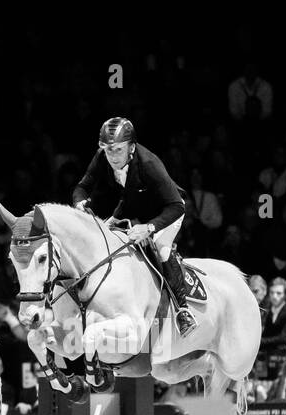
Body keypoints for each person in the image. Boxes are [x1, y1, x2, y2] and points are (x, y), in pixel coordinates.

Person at [73, 117, 196, 335]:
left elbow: (176, 206)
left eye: (118, 150)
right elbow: (82, 187)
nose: (112, 156)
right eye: (107, 150)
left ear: (131, 147)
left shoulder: (149, 164)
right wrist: (79, 203)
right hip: (135, 207)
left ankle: (183, 310)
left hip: (167, 211)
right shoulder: (104, 156)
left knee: (160, 247)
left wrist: (149, 228)